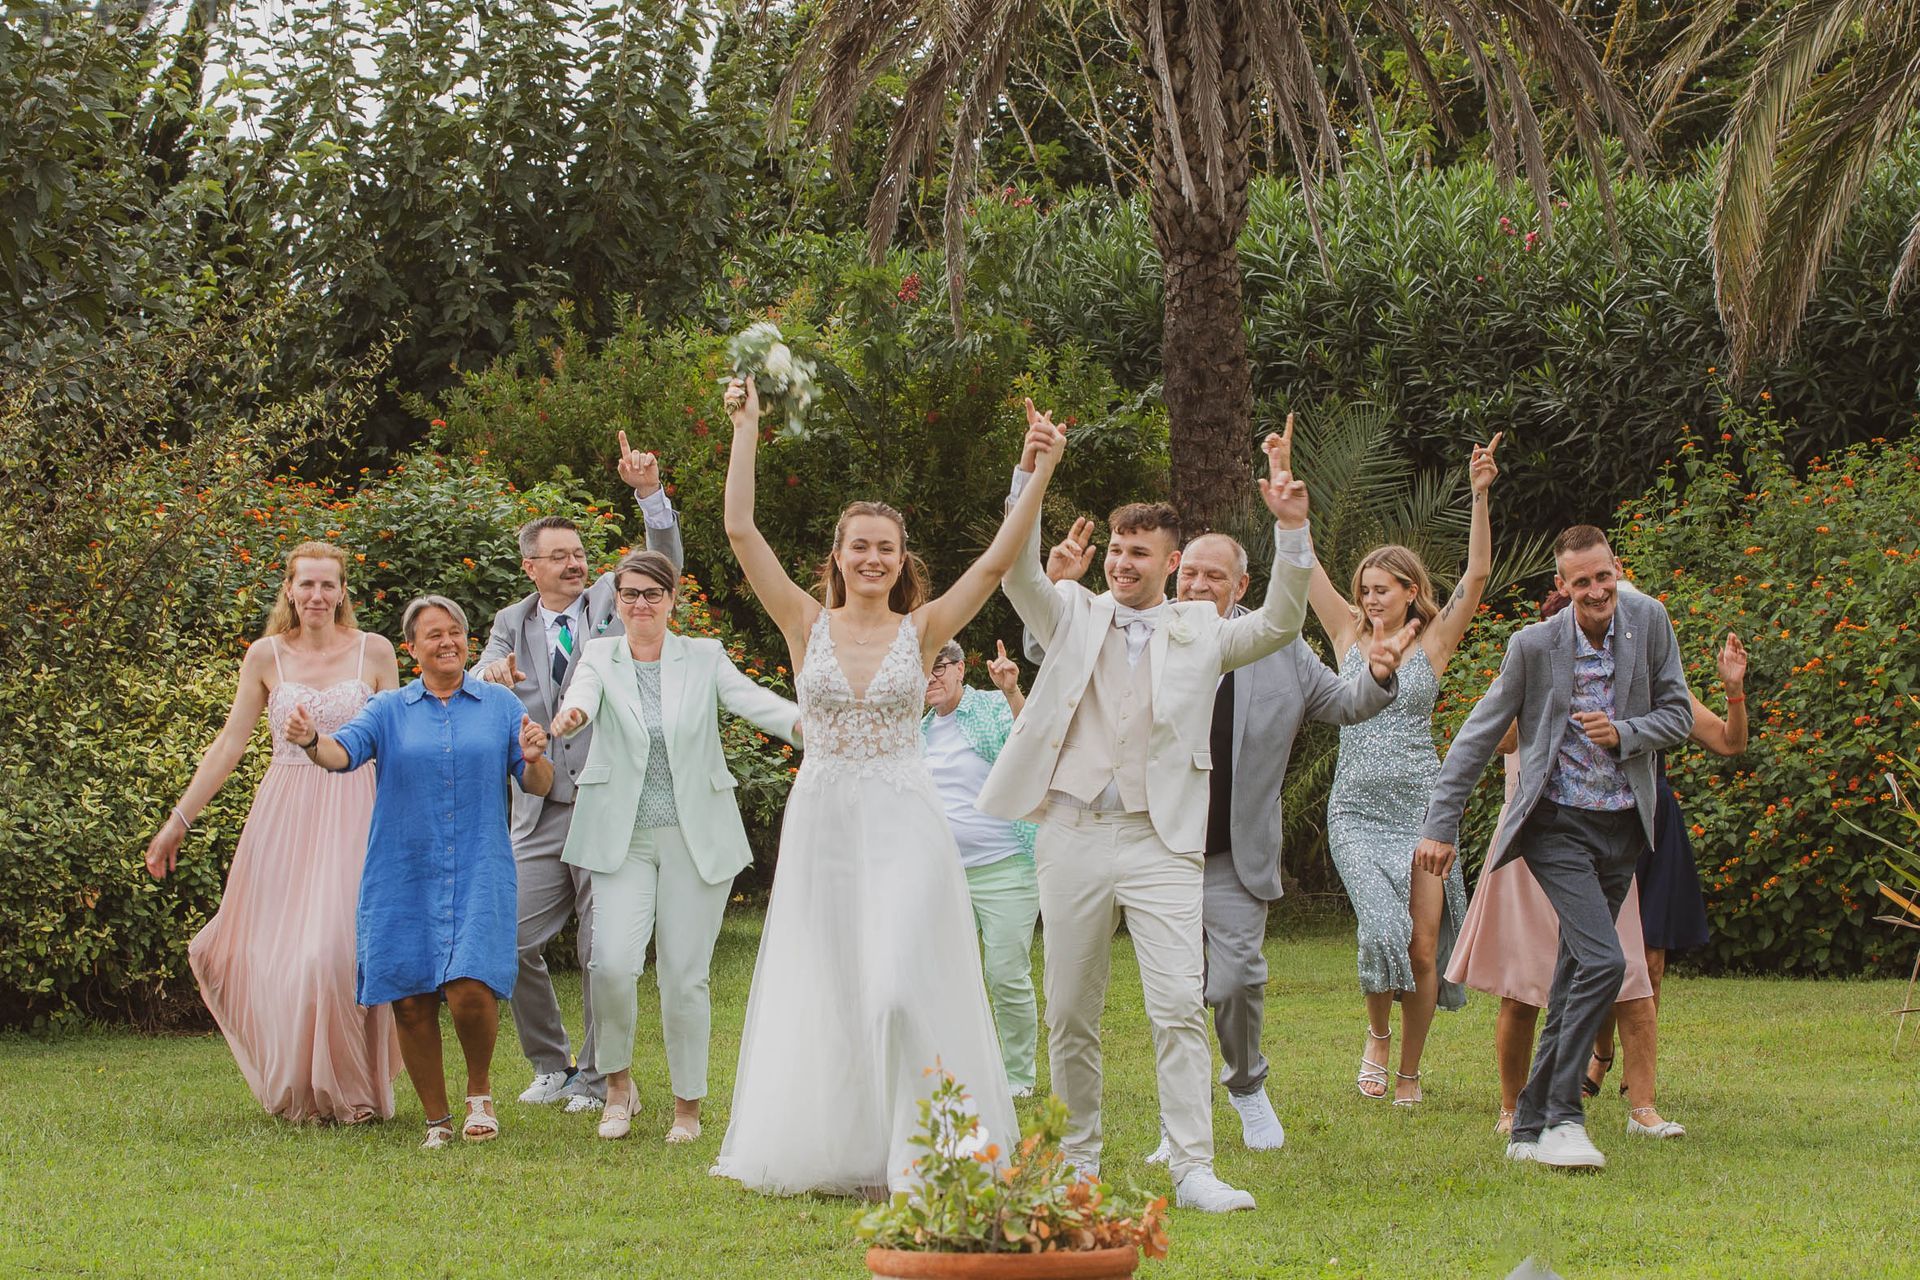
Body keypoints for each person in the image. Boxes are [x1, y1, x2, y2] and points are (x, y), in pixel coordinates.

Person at [978, 426, 1412, 1213]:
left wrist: (1290, 526)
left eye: (1139, 552)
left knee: (1176, 1005)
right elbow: (1013, 570)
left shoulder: (1203, 630)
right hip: (1072, 832)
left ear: (1169, 563)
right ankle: (1079, 1164)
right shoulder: (1069, 613)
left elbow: (1282, 621)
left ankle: (1193, 1167)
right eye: (1116, 547)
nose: (1121, 561)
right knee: (1070, 1009)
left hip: (1161, 841)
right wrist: (1031, 470)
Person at [710, 380, 1058, 1198]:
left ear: (903, 560)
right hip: (826, 815)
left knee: (902, 986)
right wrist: (747, 427)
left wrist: (1037, 468)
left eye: (887, 549)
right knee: (834, 986)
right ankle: (850, 1151)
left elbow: (999, 562)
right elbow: (738, 528)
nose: (873, 559)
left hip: (906, 818)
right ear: (837, 556)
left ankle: (925, 1153)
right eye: (859, 547)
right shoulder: (804, 622)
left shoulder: (925, 627)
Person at [1415, 525, 1694, 1171]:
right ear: (1562, 587)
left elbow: (1678, 716)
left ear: (1617, 569)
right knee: (1602, 961)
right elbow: (1478, 735)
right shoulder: (1535, 645)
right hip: (1555, 824)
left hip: (1624, 828)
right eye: (1581, 582)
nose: (1595, 591)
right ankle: (1563, 1119)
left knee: (1575, 972)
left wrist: (1624, 732)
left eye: (1604, 576)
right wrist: (1441, 825)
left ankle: (1528, 1128)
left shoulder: (1649, 621)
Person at [144, 542, 402, 1124]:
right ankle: (300, 1090)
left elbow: (396, 744)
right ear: (289, 589)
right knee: (283, 954)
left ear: (342, 593)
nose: (316, 595)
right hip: (285, 813)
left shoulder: (374, 652)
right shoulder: (267, 656)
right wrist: (176, 823)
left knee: (334, 952)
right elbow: (231, 744)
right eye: (305, 584)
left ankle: (353, 1091)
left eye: (327, 585)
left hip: (355, 810)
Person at [548, 550, 801, 1144]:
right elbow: (580, 701)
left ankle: (687, 1105)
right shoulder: (599, 655)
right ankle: (617, 1087)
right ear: (616, 600)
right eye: (630, 593)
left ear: (671, 600)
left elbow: (752, 701)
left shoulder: (704, 657)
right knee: (610, 964)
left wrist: (809, 726)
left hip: (696, 837)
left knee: (685, 977)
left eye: (652, 594)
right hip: (621, 837)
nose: (640, 603)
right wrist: (569, 718)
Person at [293, 595, 554, 1149]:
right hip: (402, 867)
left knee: (470, 988)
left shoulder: (502, 705)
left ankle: (479, 1092)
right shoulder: (388, 710)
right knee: (409, 998)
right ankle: (436, 1119)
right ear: (412, 649)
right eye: (433, 635)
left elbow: (538, 784)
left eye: (455, 631)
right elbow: (343, 754)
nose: (448, 642)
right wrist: (313, 741)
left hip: (480, 864)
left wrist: (535, 759)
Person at [473, 434, 684, 1114]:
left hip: (608, 802)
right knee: (507, 938)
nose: (574, 564)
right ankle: (550, 1063)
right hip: (536, 806)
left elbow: (664, 562)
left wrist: (648, 495)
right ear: (531, 567)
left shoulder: (612, 604)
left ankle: (598, 1078)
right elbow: (479, 675)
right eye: (558, 556)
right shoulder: (510, 621)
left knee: (602, 950)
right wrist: (492, 672)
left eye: (579, 555)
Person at [1304, 422, 1502, 1105]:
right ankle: (1377, 1038)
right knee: (1379, 928)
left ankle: (1411, 1074)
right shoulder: (1344, 635)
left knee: (1422, 951)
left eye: (1383, 589)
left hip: (1421, 805)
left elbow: (1478, 575)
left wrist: (1479, 495)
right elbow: (1303, 571)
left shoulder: (1435, 641)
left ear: (1412, 590)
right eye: (1364, 590)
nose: (1370, 599)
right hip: (1356, 808)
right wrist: (1291, 516)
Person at [1585, 623, 1748, 1132]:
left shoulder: (1661, 683)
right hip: (1597, 820)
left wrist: (1734, 691)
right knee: (1607, 954)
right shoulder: (1581, 675)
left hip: (1654, 820)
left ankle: (1639, 1078)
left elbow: (1729, 742)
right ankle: (1601, 1050)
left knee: (1650, 957)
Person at [921, 638, 1042, 1098]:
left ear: (958, 668)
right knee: (946, 974)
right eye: (923, 669)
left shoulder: (991, 705)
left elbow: (1033, 740)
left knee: (1006, 973)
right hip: (943, 873)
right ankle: (957, 1067)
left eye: (938, 667)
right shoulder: (920, 729)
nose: (930, 677)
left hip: (1004, 866)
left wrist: (1013, 692)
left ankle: (1017, 1078)